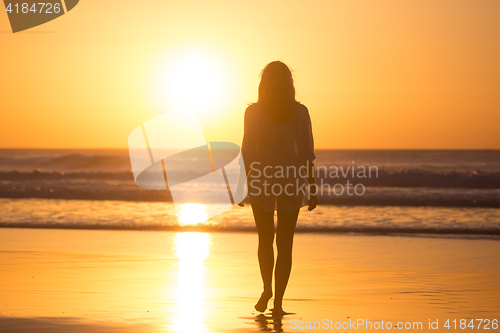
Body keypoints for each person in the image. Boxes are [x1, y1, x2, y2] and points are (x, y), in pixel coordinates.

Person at [240, 61, 317, 316]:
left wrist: (241, 184)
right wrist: (312, 187)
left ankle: (266, 288)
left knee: (265, 239)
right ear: (289, 83)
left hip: (261, 179)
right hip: (291, 180)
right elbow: (307, 153)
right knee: (285, 244)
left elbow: (247, 152)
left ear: (264, 83)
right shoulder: (300, 112)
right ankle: (278, 304)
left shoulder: (253, 112)